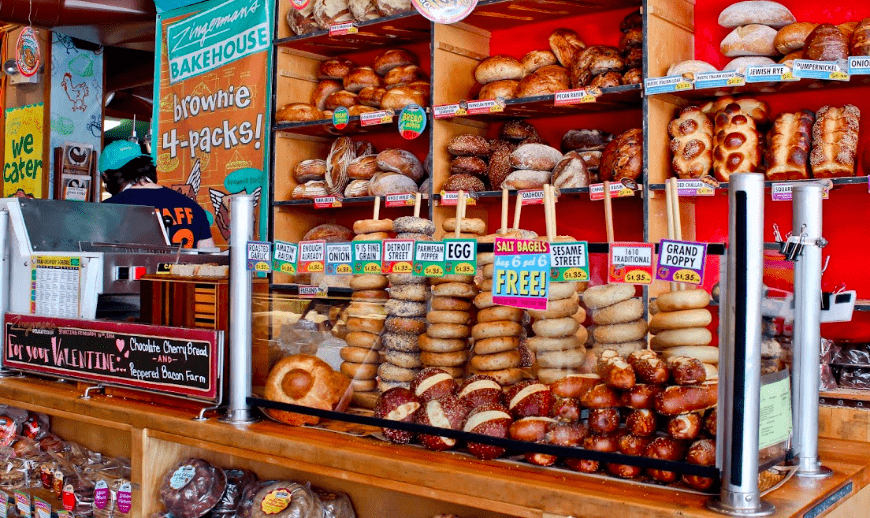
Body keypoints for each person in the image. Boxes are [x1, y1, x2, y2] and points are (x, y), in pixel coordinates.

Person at [99, 140, 214, 249]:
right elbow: (209, 259)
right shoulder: (192, 207)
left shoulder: (106, 210)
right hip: (183, 269)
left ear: (106, 176)